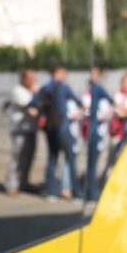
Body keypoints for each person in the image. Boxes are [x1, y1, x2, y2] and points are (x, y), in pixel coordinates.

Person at [30, 64, 84, 201]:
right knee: (70, 159)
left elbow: (32, 104)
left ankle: (51, 192)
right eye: (64, 73)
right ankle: (76, 193)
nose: (65, 75)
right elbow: (79, 102)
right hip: (63, 127)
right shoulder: (63, 87)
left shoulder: (44, 88)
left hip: (50, 128)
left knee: (52, 159)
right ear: (58, 73)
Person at [4, 69, 38, 196]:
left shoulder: (31, 90)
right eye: (30, 78)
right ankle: (12, 185)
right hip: (19, 131)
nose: (33, 81)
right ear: (23, 79)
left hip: (31, 130)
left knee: (29, 158)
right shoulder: (18, 91)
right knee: (17, 158)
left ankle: (24, 183)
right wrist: (36, 94)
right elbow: (30, 108)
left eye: (34, 78)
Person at [84, 66, 113, 199]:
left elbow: (111, 103)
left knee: (94, 163)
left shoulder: (96, 90)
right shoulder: (91, 90)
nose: (92, 76)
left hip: (97, 131)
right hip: (92, 131)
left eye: (95, 74)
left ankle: (91, 190)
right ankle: (91, 191)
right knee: (92, 163)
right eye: (91, 74)